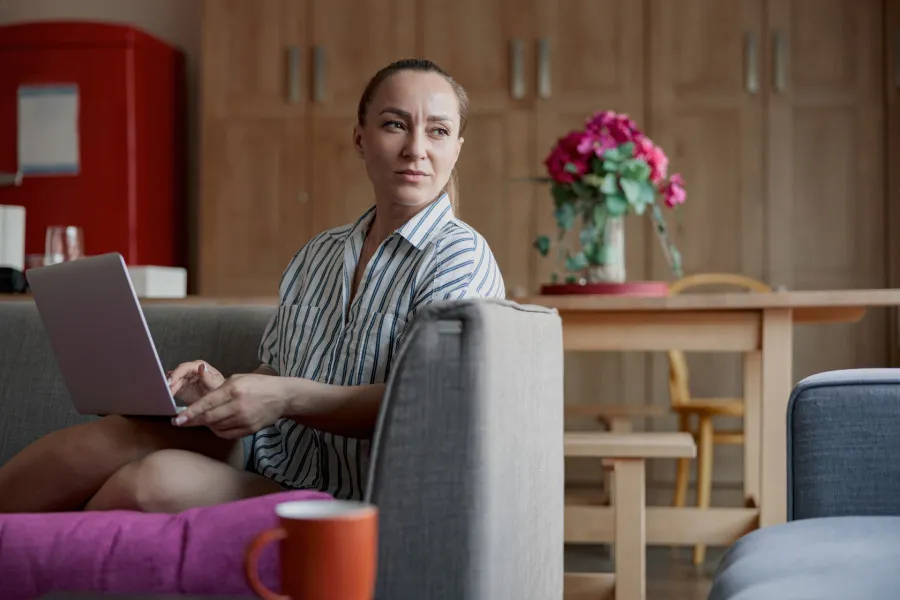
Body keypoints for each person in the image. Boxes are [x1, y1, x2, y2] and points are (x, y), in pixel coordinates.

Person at [0, 58, 505, 514]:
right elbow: (276, 369)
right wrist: (231, 391)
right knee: (111, 437)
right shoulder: (320, 253)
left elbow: (429, 403)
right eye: (395, 124)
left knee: (149, 484)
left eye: (438, 131)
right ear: (360, 138)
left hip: (357, 499)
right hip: (270, 461)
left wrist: (283, 396)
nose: (416, 148)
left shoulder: (459, 259)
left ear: (456, 149)